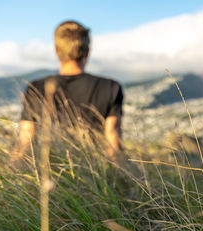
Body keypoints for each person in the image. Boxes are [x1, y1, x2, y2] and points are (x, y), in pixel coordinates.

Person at [12, 20, 123, 161]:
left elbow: (25, 141)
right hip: (96, 172)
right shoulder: (111, 87)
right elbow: (113, 140)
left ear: (56, 50)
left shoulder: (36, 88)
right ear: (87, 52)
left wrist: (8, 173)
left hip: (49, 171)